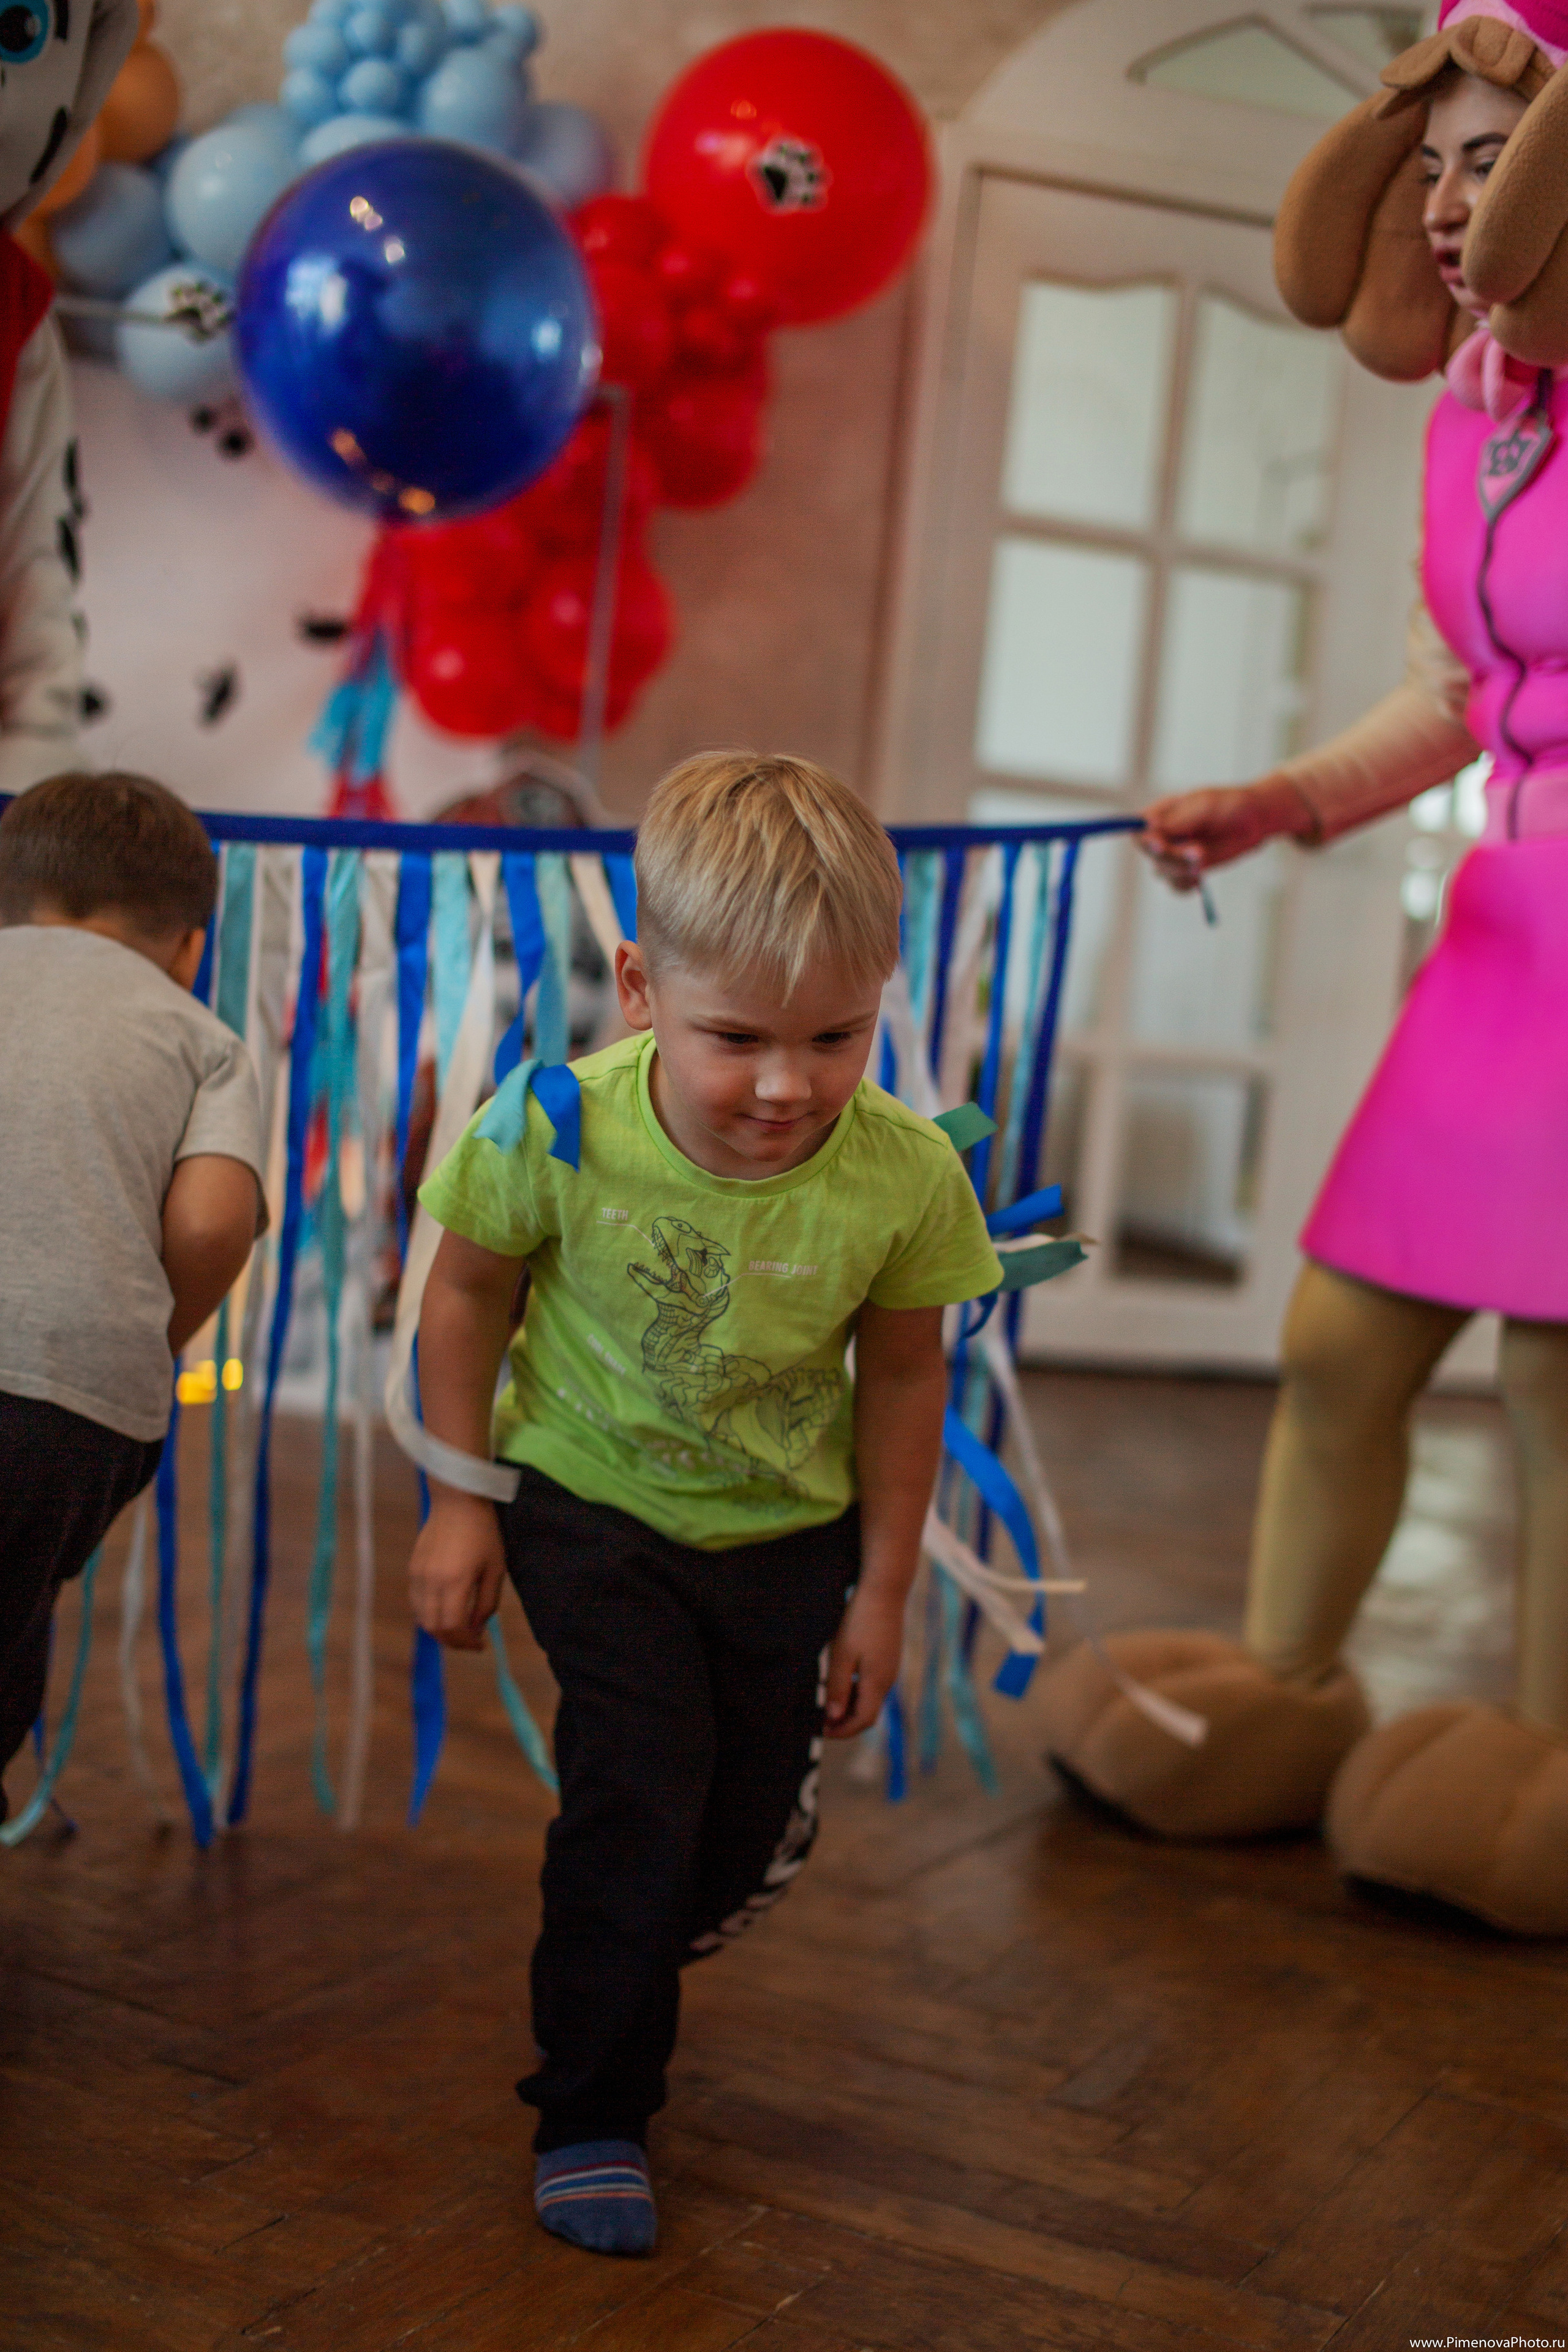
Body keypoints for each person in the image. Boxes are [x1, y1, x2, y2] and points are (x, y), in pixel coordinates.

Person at [1038, 0, 1568, 1936]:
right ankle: (1288, 1684)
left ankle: (1554, 1758)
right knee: (1347, 1335)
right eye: (1428, 165)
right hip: (1506, 944)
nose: (1443, 207)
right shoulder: (1478, 409)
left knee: (1561, 1389)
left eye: (1490, 164)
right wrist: (1285, 802)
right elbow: (1467, 697)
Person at [407, 752, 1003, 2255]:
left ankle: (644, 1919)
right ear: (638, 984)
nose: (788, 1085)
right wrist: (465, 1500)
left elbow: (907, 1379)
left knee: (724, 1834)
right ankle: (594, 2107)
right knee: (635, 1785)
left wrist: (879, 1590)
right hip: (586, 1500)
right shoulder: (549, 1126)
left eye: (836, 1037)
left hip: (786, 1535)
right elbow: (464, 1298)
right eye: (738, 1036)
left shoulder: (907, 1175)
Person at [0, 771, 265, 1813]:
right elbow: (210, 1222)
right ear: (191, 946)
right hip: (62, 1398)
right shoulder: (201, 1038)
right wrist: (152, 1341)